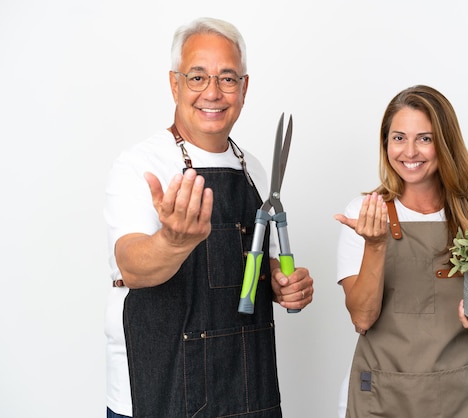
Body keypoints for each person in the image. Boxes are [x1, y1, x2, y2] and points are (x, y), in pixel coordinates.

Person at [104, 17, 314, 418]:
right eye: (197, 77)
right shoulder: (139, 165)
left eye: (228, 79)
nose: (213, 93)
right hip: (161, 386)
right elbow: (131, 267)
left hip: (247, 383)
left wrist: (284, 284)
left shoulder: (252, 167)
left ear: (244, 88)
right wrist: (173, 242)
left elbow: (256, 265)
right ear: (175, 84)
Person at [334, 85, 468, 417]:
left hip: (466, 397)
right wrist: (375, 244)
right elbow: (361, 318)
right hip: (382, 397)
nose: (409, 151)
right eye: (398, 138)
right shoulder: (365, 213)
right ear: (385, 143)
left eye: (425, 139)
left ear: (445, 144)